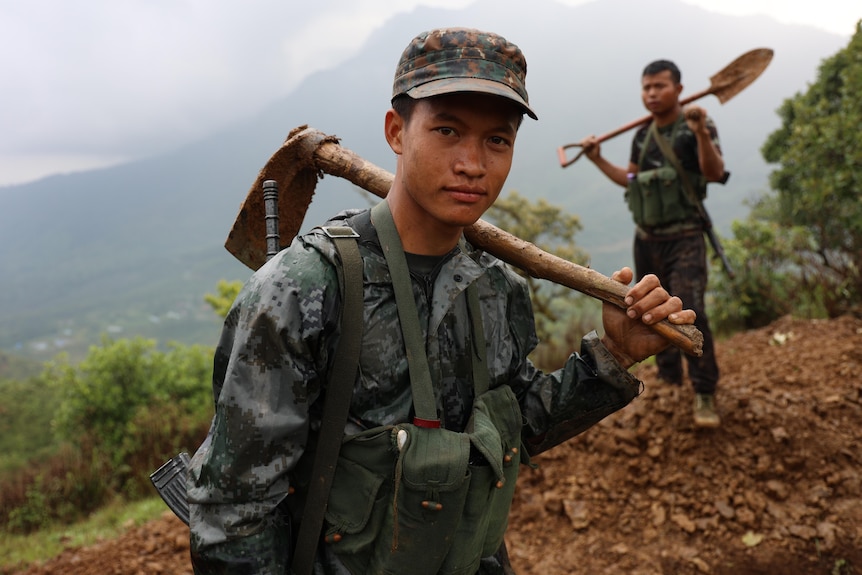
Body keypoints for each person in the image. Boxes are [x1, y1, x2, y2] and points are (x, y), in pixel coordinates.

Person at [187, 28, 696, 575]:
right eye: (447, 131)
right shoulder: (305, 286)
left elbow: (513, 427)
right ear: (396, 131)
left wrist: (612, 358)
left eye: (497, 141)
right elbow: (234, 513)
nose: (472, 163)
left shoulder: (497, 287)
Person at [579, 60, 726, 429]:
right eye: (646, 88)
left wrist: (701, 134)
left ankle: (704, 390)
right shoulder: (642, 135)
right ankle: (670, 380)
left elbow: (714, 173)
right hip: (647, 239)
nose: (651, 94)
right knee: (649, 308)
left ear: (678, 89)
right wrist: (598, 161)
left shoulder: (696, 126)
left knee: (690, 309)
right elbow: (631, 179)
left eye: (659, 86)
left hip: (685, 236)